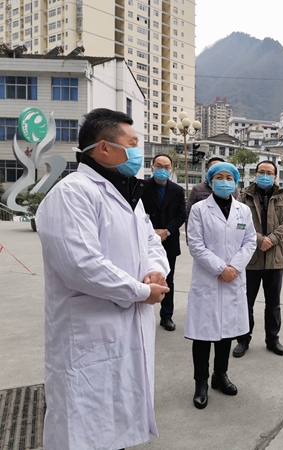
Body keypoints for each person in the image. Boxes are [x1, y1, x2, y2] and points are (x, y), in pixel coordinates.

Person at [36, 108, 170, 450]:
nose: (138, 152)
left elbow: (151, 242)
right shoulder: (72, 193)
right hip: (90, 333)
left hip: (129, 324)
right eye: (133, 143)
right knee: (86, 428)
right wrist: (140, 291)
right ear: (105, 148)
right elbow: (80, 265)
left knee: (119, 422)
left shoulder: (129, 196)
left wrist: (157, 270)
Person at [185, 162, 256, 410]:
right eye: (219, 177)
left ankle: (220, 375)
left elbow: (250, 242)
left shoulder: (243, 210)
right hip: (208, 279)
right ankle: (201, 383)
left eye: (229, 178)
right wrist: (220, 268)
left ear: (235, 183)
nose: (224, 181)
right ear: (210, 181)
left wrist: (234, 267)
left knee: (226, 331)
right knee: (203, 335)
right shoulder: (199, 209)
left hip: (233, 279)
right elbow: (195, 245)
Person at [232, 160, 283, 358]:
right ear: (255, 174)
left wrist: (273, 239)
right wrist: (259, 239)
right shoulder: (244, 196)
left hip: (275, 259)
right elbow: (238, 222)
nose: (265, 176)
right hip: (250, 259)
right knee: (246, 302)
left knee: (273, 303)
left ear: (275, 176)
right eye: (261, 172)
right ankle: (243, 339)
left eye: (269, 173)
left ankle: (273, 339)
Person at [141, 154, 187, 331]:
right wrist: (151, 231)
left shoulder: (177, 190)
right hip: (145, 239)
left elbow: (181, 214)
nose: (162, 170)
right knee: (142, 276)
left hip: (168, 241)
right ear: (152, 167)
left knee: (168, 279)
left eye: (166, 167)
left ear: (171, 170)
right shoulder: (141, 187)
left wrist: (166, 231)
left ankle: (166, 316)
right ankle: (141, 314)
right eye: (159, 166)